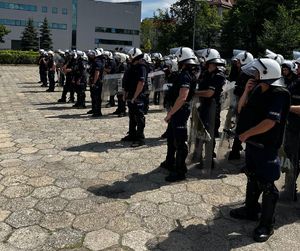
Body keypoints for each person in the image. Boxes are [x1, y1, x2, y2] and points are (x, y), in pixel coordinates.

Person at [230, 58, 290, 242]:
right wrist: (246, 91)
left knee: (268, 185)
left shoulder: (279, 94)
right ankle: (250, 210)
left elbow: (270, 122)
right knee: (252, 176)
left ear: (266, 74)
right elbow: (241, 109)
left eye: (257, 73)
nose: (254, 75)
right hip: (252, 143)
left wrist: (246, 134)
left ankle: (267, 224)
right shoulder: (256, 89)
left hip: (266, 146)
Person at [160, 47, 198, 182]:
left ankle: (180, 171)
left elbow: (182, 97)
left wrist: (170, 113)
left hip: (179, 111)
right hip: (178, 110)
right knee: (171, 137)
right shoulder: (186, 73)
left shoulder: (185, 75)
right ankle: (170, 162)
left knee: (180, 141)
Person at [194, 48, 226, 164]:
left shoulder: (218, 75)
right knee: (200, 131)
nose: (202, 62)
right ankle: (199, 154)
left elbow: (209, 93)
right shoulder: (206, 73)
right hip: (203, 106)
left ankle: (209, 160)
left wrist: (194, 93)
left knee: (209, 133)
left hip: (212, 108)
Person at [228, 51, 254, 160]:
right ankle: (236, 150)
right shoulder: (243, 72)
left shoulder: (247, 74)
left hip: (246, 106)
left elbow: (244, 91)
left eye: (238, 61)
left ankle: (237, 151)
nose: (236, 63)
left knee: (243, 128)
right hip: (241, 104)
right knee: (240, 128)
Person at [121, 47, 148, 147]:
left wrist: (135, 96)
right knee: (132, 116)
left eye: (130, 56)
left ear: (134, 56)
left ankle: (140, 138)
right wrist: (125, 94)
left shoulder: (142, 67)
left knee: (139, 117)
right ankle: (132, 134)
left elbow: (141, 83)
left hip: (138, 96)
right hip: (131, 95)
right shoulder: (132, 66)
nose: (128, 58)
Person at [282, 60, 300, 200]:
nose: (297, 68)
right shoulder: (297, 81)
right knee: (292, 158)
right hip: (293, 128)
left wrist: (286, 107)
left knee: (294, 159)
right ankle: (290, 188)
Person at [87, 49, 105, 117]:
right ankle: (94, 109)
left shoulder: (97, 62)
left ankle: (98, 112)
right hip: (94, 81)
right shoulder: (95, 61)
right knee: (93, 96)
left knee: (97, 97)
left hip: (97, 82)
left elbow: (97, 73)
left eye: (93, 54)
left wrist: (94, 82)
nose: (91, 55)